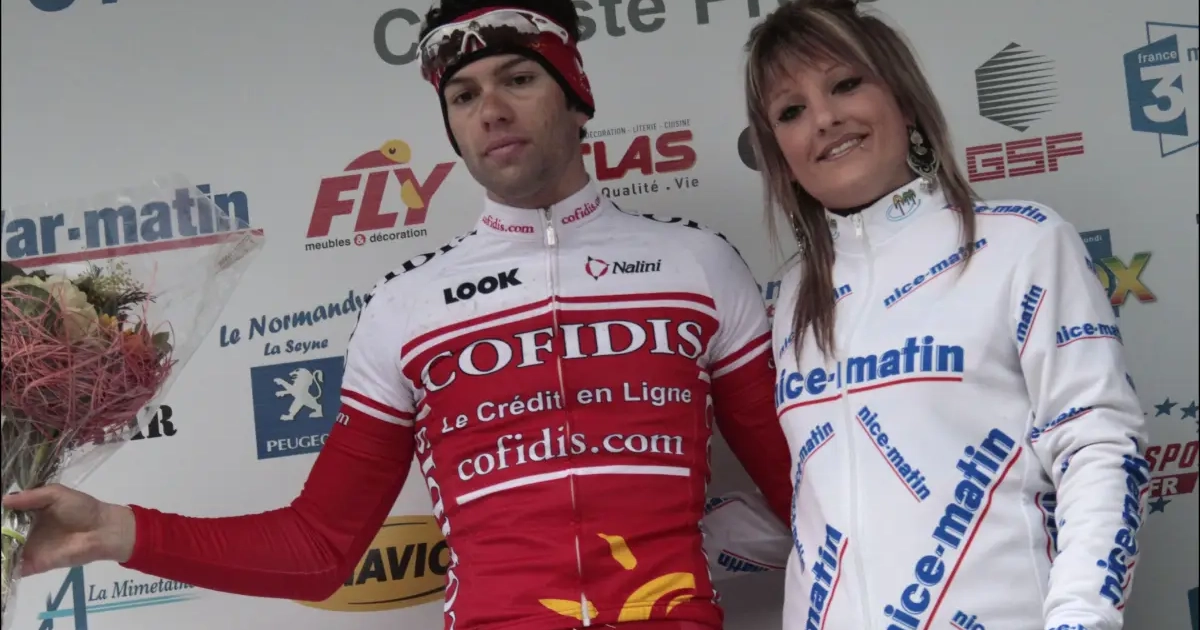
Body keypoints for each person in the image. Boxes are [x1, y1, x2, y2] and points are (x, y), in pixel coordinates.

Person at [0, 1, 794, 629]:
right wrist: (112, 530)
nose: (491, 110)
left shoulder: (697, 266)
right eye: (464, 96)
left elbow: (810, 490)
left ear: (576, 97)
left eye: (519, 79)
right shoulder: (407, 307)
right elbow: (319, 546)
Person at [739, 1, 1151, 629]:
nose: (823, 118)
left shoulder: (1022, 242)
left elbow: (1099, 448)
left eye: (845, 84)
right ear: (780, 154)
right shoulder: (792, 296)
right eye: (790, 111)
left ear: (904, 101)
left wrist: (1080, 619)